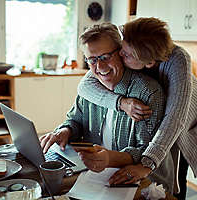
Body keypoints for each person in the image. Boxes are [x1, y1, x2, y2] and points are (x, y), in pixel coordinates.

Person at [40, 22, 174, 193]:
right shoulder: (90, 87)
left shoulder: (147, 92)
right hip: (96, 176)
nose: (100, 67)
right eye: (92, 60)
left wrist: (109, 158)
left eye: (105, 57)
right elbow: (74, 120)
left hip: (141, 183)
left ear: (121, 53)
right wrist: (65, 131)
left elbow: (147, 153)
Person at [77, 17, 197, 199]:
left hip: (186, 127)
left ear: (148, 64)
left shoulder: (178, 61)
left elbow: (174, 120)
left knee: (174, 182)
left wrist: (146, 164)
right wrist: (122, 102)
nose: (120, 57)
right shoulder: (130, 43)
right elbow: (84, 85)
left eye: (125, 55)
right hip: (168, 121)